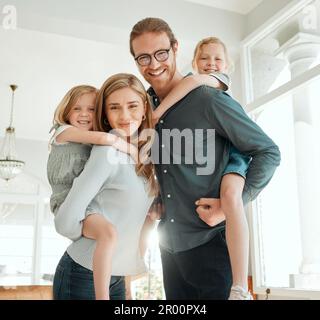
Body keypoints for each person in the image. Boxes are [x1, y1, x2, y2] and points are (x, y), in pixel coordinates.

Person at [129, 17, 281, 300]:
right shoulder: (141, 108)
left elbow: (268, 152)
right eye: (143, 57)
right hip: (169, 248)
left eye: (161, 53)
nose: (154, 63)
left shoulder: (208, 99)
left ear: (175, 49)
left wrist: (230, 205)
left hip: (212, 247)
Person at [146, 36, 252, 299]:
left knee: (230, 197)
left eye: (218, 59)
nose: (211, 64)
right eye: (205, 58)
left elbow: (192, 81)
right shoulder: (189, 94)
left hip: (236, 153)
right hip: (172, 241)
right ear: (195, 61)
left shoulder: (212, 85)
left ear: (227, 66)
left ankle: (240, 286)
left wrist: (157, 113)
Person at [50, 74, 158, 300]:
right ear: (106, 114)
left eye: (132, 106)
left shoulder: (142, 158)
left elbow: (131, 225)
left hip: (117, 276)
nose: (125, 116)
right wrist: (91, 228)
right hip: (82, 274)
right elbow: (65, 222)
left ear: (144, 107)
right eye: (115, 107)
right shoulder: (107, 151)